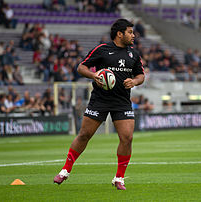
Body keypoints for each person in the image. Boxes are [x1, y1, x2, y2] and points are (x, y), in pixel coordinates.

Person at [53, 19, 145, 190]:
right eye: (130, 32)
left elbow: (141, 75)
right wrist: (94, 76)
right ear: (120, 34)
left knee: (127, 138)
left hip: (122, 102)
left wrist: (134, 81)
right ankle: (65, 170)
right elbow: (81, 67)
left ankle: (119, 178)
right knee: (84, 135)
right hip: (100, 100)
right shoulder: (102, 50)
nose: (133, 35)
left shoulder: (133, 54)